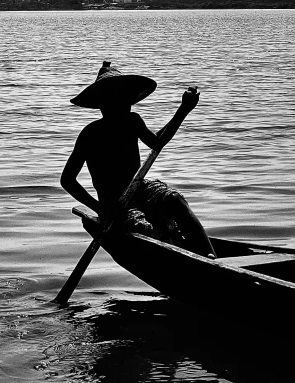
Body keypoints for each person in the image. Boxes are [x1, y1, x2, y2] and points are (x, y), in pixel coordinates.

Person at [60, 61, 216, 257]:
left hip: (140, 190)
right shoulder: (90, 134)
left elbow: (157, 143)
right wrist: (99, 208)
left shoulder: (133, 121)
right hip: (114, 202)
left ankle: (211, 258)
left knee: (174, 200)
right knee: (143, 229)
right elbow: (67, 180)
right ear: (103, 104)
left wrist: (183, 110)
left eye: (126, 99)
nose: (124, 104)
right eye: (115, 100)